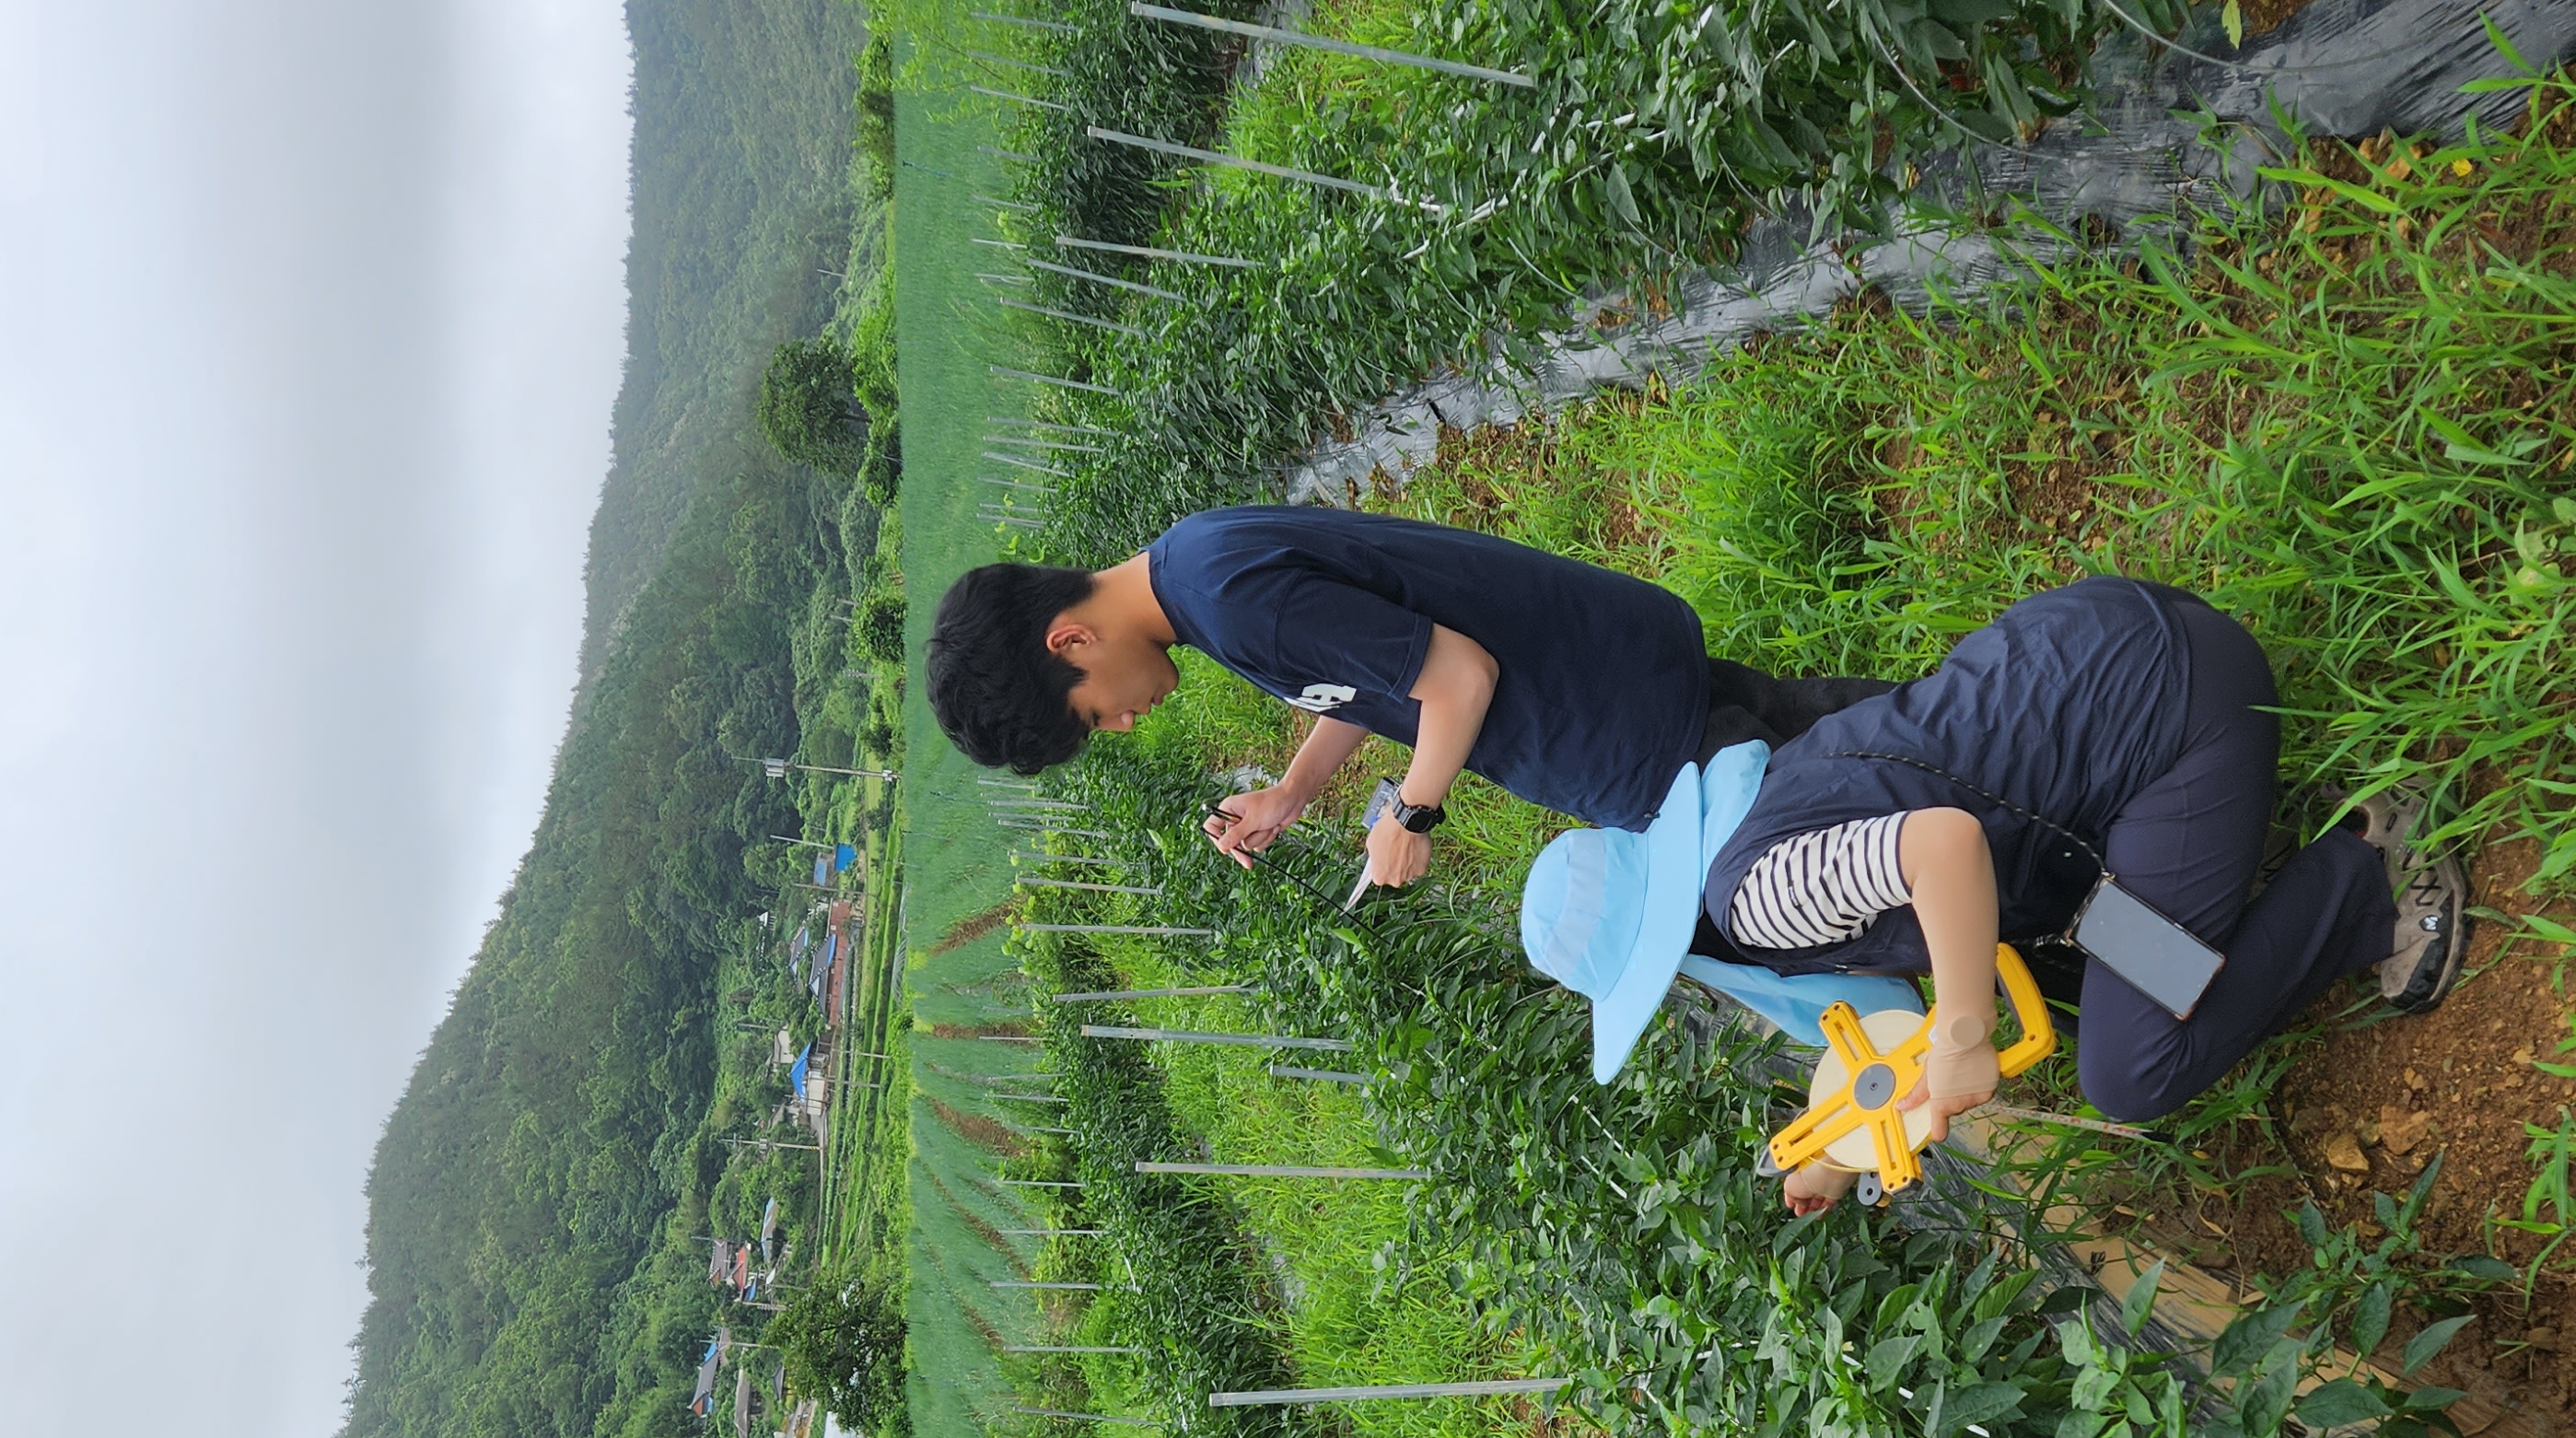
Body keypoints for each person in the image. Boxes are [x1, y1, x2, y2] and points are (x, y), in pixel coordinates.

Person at [1512, 577, 2470, 1213]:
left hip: (2172, 715)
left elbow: (1941, 848)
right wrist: (1831, 1153)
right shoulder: (1743, 806)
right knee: (2134, 969)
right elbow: (1880, 989)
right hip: (2112, 636)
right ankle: (2256, 894)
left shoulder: (1755, 901)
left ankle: (2364, 874)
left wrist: (1967, 1028)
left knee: (2129, 1071)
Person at [920, 505, 1891, 893]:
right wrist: (1292, 792)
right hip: (1612, 662)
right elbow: (1373, 667)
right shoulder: (1194, 574)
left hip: (1606, 716)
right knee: (1851, 739)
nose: (1127, 721)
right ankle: (2029, 712)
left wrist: (1411, 811)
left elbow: (1457, 677)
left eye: (1097, 713)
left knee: (1836, 852)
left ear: (1069, 641)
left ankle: (2021, 852)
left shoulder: (1228, 601)